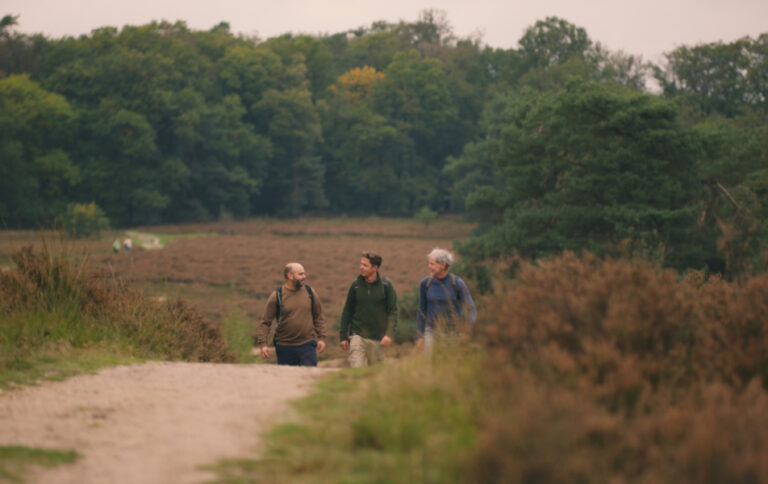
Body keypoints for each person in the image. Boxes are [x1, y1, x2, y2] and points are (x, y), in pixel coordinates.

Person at [256, 263, 326, 366]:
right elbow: (266, 322)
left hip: (307, 345)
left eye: (304, 274)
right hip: (285, 347)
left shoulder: (310, 292)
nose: (304, 277)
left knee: (308, 377)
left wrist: (322, 338)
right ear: (290, 276)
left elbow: (318, 317)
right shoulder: (277, 295)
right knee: (288, 380)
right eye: (300, 274)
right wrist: (263, 344)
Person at [339, 251, 398, 368]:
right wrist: (343, 336)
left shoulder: (386, 286)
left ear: (375, 267)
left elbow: (393, 311)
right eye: (361, 264)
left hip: (378, 338)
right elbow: (347, 311)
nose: (361, 267)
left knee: (375, 373)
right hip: (357, 335)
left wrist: (389, 334)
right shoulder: (355, 285)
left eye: (365, 265)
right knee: (356, 368)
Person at [417, 248, 476, 353]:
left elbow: (471, 309)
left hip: (453, 334)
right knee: (429, 366)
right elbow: (421, 310)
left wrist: (467, 331)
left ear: (443, 265)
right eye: (429, 264)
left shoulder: (457, 283)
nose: (428, 267)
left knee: (449, 366)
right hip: (431, 333)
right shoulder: (425, 284)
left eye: (432, 264)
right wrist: (420, 336)